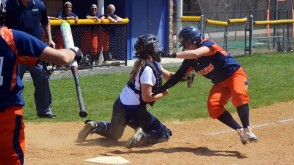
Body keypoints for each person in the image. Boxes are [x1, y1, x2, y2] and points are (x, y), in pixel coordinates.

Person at [0, 3, 83, 164]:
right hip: (6, 119)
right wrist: (74, 51)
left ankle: (44, 108)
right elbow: (62, 58)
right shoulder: (12, 37)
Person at [156, 26, 258, 145]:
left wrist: (171, 55)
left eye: (188, 43)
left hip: (235, 75)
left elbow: (196, 53)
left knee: (239, 94)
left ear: (196, 39)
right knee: (213, 107)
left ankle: (247, 129)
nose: (186, 46)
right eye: (185, 44)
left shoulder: (208, 44)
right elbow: (178, 76)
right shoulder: (190, 61)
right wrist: (162, 88)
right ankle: (240, 131)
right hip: (220, 83)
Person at [77, 34, 173, 149]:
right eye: (155, 47)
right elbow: (146, 97)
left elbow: (169, 76)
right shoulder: (148, 69)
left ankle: (94, 125)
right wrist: (163, 93)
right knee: (164, 133)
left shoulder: (150, 64)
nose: (158, 49)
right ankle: (142, 137)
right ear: (150, 50)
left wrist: (185, 75)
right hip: (134, 110)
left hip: (120, 105)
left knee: (114, 133)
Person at [5, 0, 57, 118]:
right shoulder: (9, 4)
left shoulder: (39, 5)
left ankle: (44, 110)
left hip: (35, 51)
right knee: (13, 83)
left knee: (43, 78)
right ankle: (10, 110)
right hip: (16, 53)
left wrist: (49, 39)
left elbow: (45, 22)